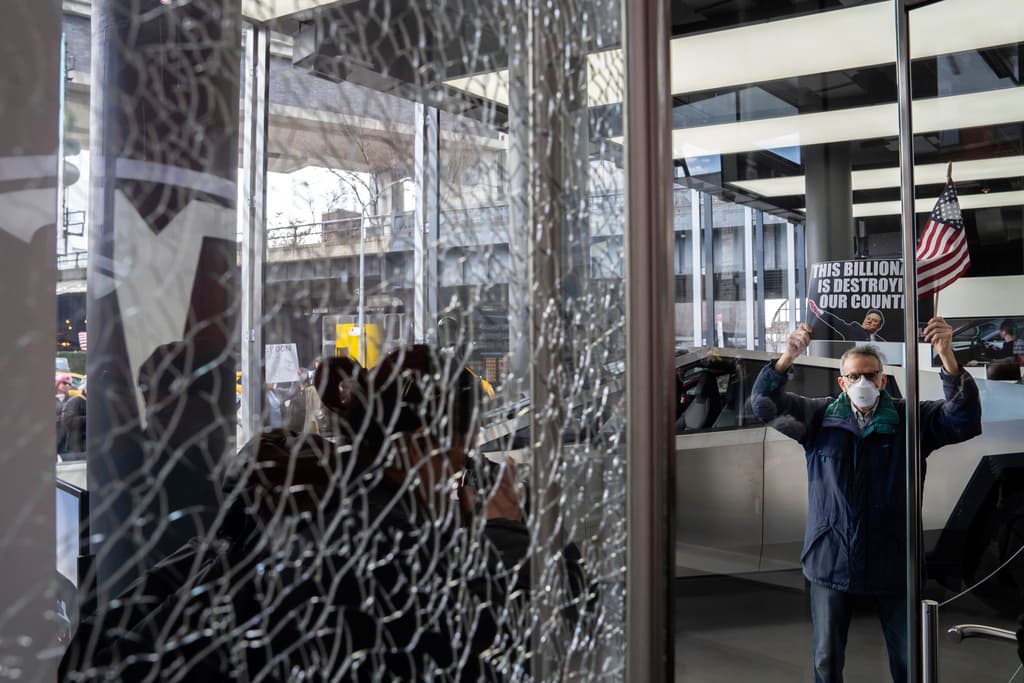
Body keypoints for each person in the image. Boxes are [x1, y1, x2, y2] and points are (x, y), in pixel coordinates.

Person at [61, 344, 580, 681]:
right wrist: (507, 534)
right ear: (433, 445)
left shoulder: (306, 504)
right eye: (459, 449)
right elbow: (549, 629)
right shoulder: (388, 547)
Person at [750, 317, 981, 683]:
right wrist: (787, 357)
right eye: (854, 376)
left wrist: (947, 357)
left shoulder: (909, 421)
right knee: (826, 658)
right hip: (831, 557)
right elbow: (764, 405)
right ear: (842, 382)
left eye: (870, 375)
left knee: (907, 658)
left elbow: (961, 420)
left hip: (894, 559)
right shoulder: (818, 419)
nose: (863, 383)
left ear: (883, 380)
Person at [808, 299, 886, 342]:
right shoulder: (855, 329)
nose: (869, 321)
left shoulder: (882, 342)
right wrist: (819, 312)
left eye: (874, 320)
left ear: (879, 326)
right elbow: (838, 323)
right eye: (868, 318)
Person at [61, 379, 87, 454]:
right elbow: (67, 421)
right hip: (77, 446)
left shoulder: (99, 401)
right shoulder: (75, 401)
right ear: (84, 387)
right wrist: (89, 418)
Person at [55, 373, 72, 453]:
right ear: (57, 383)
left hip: (66, 438)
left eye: (69, 384)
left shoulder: (71, 399)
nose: (67, 385)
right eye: (64, 383)